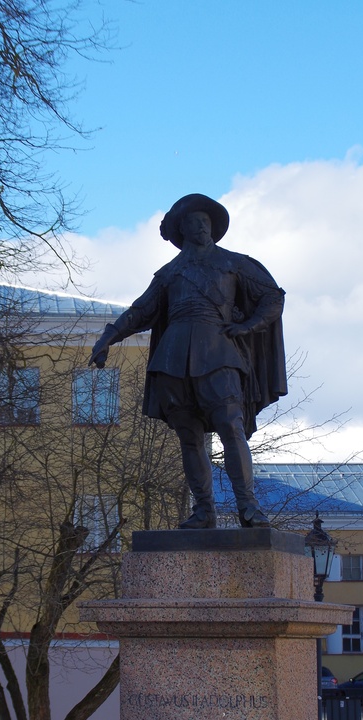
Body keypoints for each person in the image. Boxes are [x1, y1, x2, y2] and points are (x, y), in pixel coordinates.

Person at [88, 193, 287, 529]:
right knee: (189, 436)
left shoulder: (234, 263)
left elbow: (272, 297)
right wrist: (109, 336)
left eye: (206, 222)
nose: (201, 228)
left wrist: (246, 326)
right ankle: (203, 511)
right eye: (194, 223)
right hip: (173, 358)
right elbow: (141, 311)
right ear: (182, 230)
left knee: (230, 426)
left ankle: (248, 508)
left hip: (219, 352)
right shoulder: (169, 273)